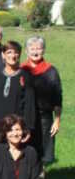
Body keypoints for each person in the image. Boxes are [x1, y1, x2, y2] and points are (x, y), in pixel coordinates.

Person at [0, 41, 35, 154]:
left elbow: (29, 104)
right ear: (3, 55)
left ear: (19, 55)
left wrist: (27, 127)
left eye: (16, 53)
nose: (12, 56)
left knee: (12, 159)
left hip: (14, 128)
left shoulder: (25, 76)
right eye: (9, 52)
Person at [22, 36, 62, 165]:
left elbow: (57, 97)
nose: (35, 52)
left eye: (38, 48)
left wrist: (57, 120)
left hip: (44, 118)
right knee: (24, 153)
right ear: (26, 51)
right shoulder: (21, 70)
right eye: (32, 48)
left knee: (43, 156)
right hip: (24, 117)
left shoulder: (51, 71)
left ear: (43, 50)